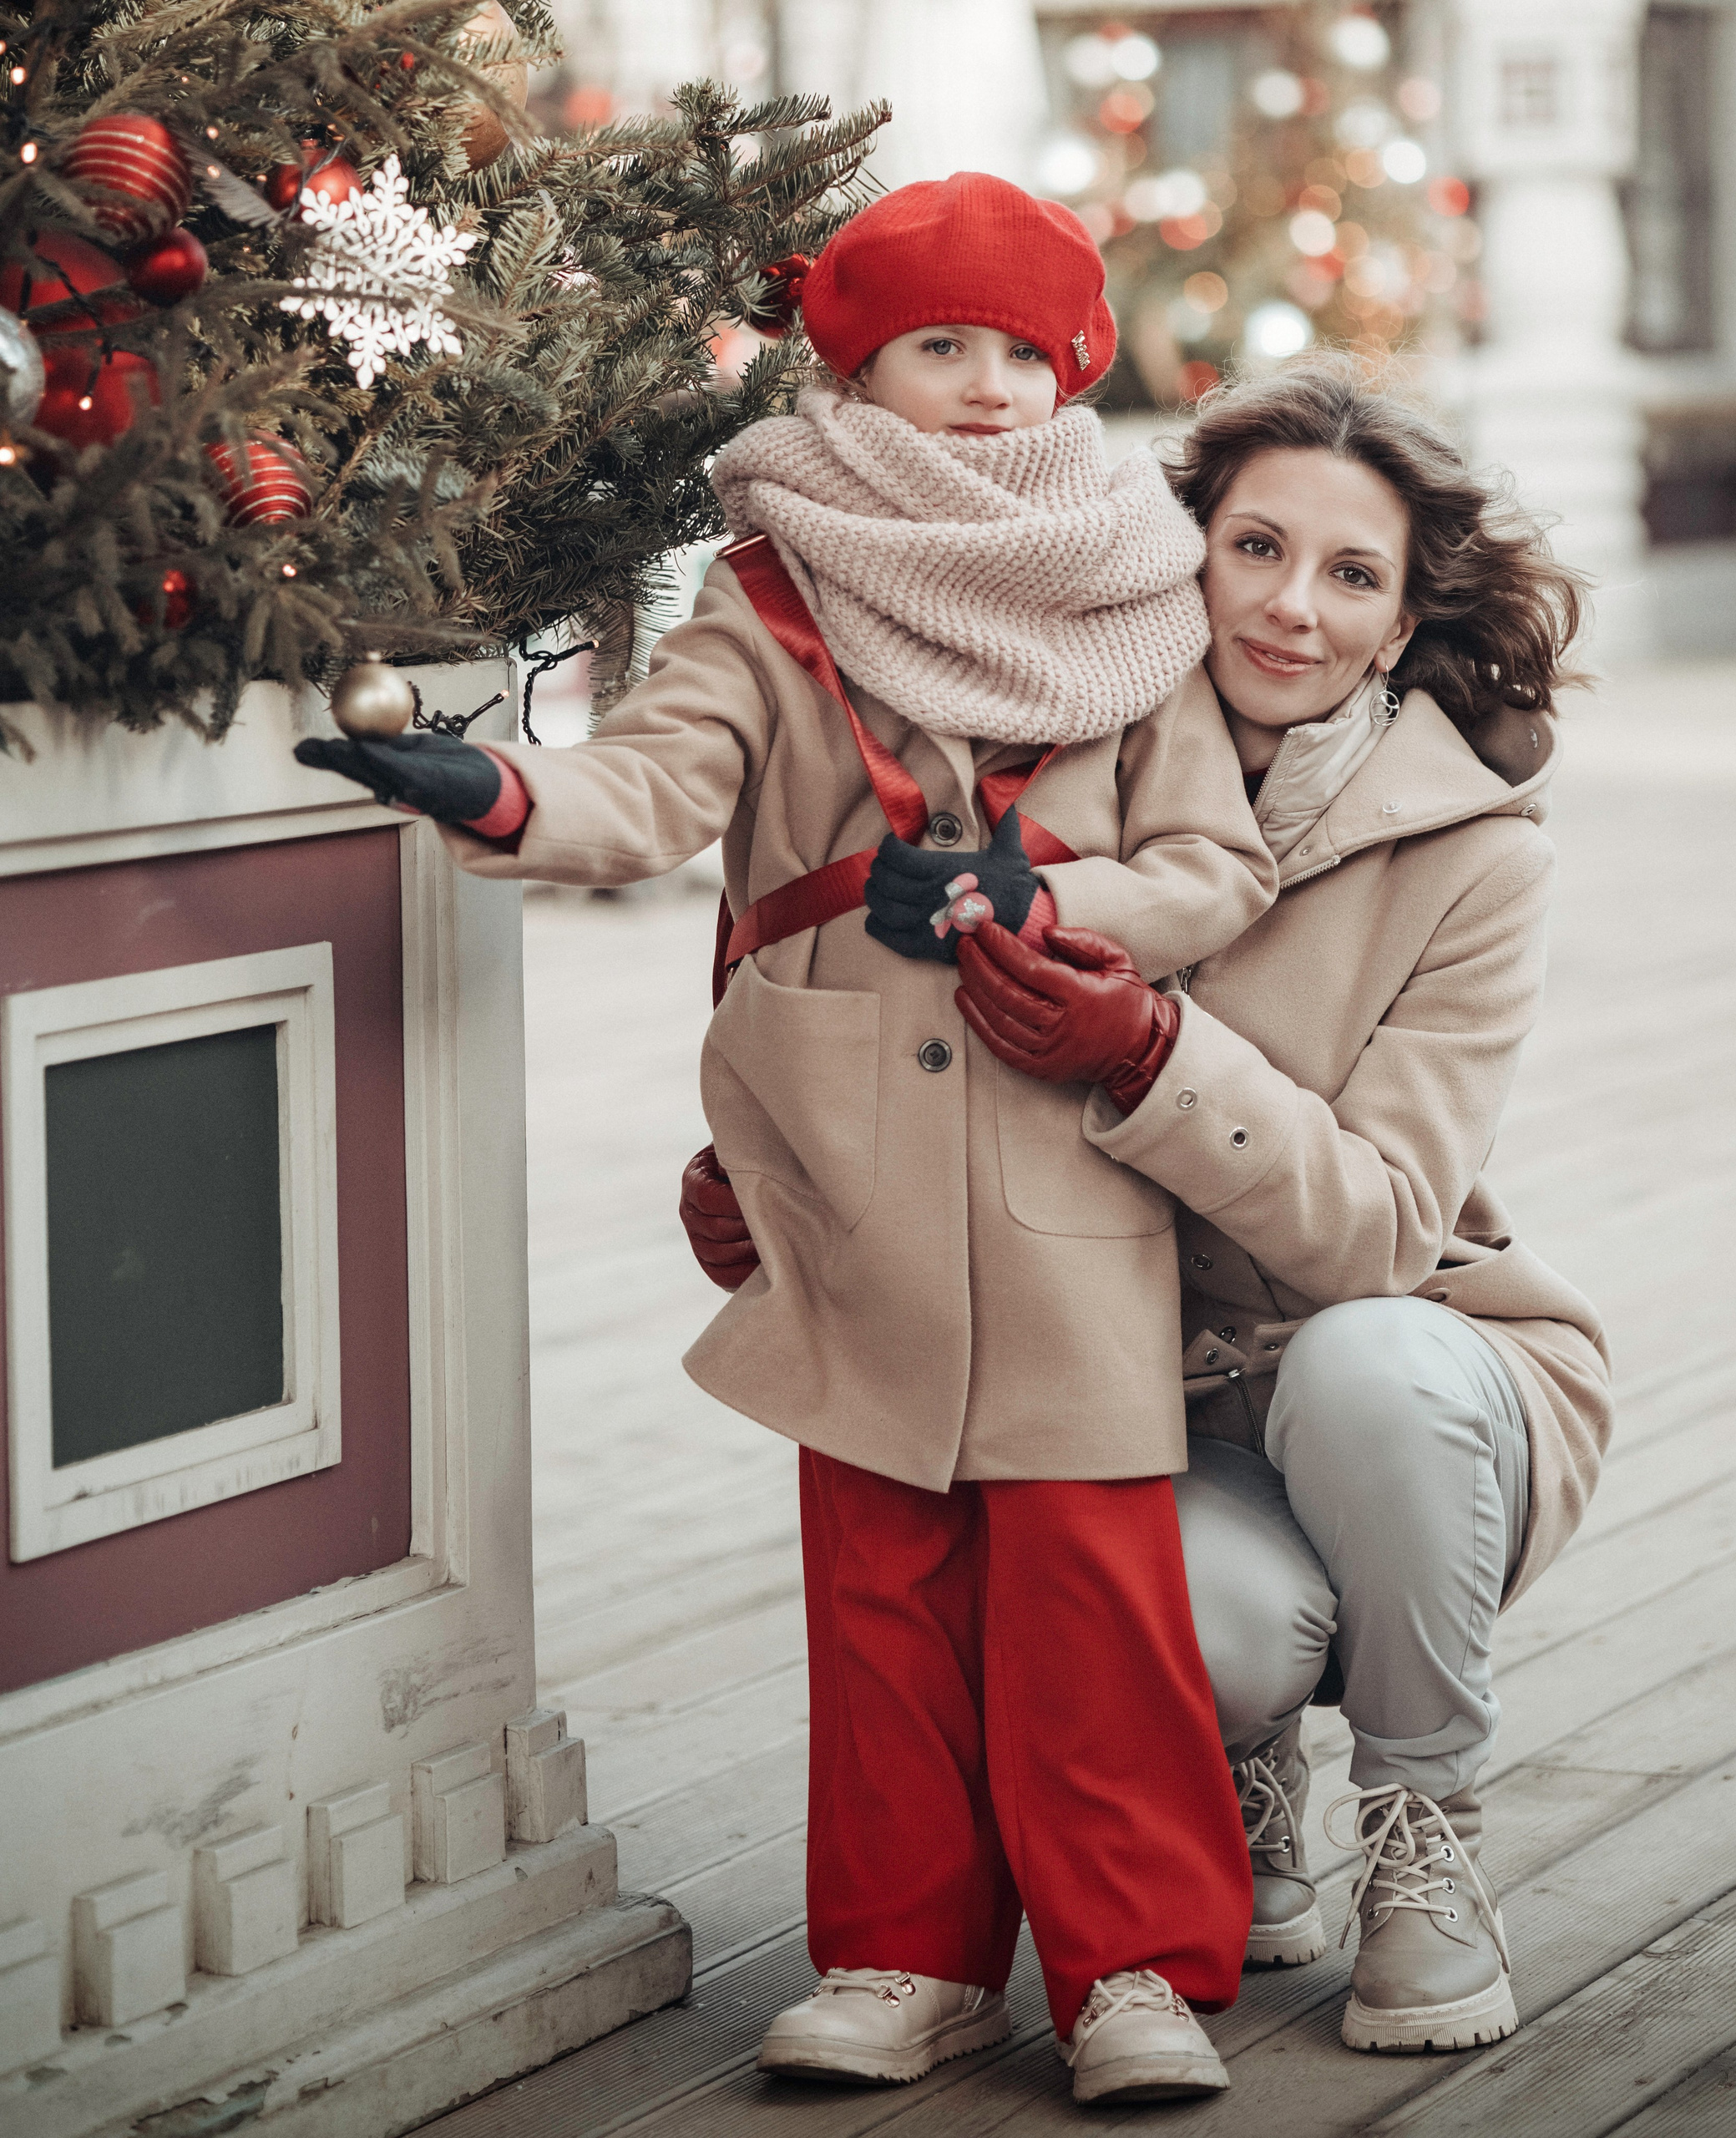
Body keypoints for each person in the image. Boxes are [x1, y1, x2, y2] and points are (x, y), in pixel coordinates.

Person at [298, 175, 1276, 2107]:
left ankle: (1133, 1968)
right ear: (857, 363)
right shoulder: (770, 585)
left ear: (1071, 367)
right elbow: (655, 786)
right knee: (879, 1563)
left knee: (1091, 1575)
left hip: (1061, 1136)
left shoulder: (1134, 589)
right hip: (844, 1142)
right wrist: (495, 787)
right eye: (938, 347)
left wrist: (1064, 911)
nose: (986, 389)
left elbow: (1214, 866)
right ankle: (906, 1954)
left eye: (1022, 350)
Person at [845, 358, 1611, 2058]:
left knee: (1362, 1364)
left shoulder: (1479, 858)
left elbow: (1378, 1230)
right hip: (1151, 1383)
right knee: (1170, 1608)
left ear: (1408, 618)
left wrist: (1149, 1051)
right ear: (1178, 552)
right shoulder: (1046, 758)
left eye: (1350, 575)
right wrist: (765, 1179)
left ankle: (1424, 1827)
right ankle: (1237, 1770)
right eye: (1253, 547)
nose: (1287, 608)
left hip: (1427, 1363)